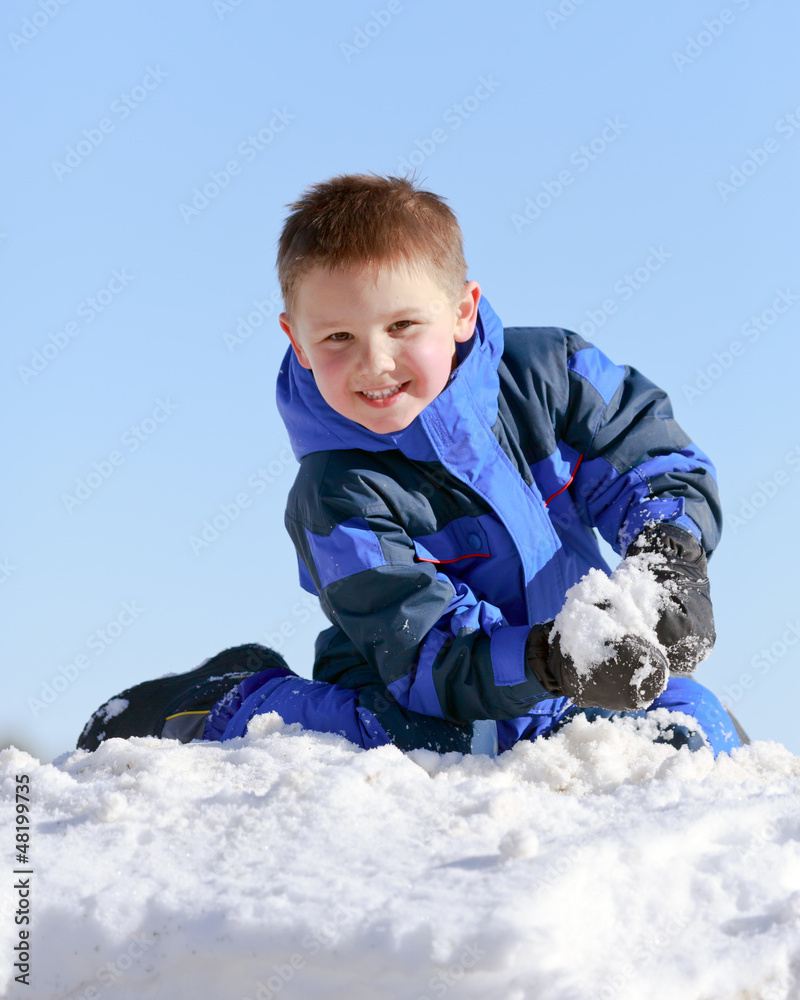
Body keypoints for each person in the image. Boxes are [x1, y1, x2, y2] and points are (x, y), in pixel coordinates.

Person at [77, 173, 748, 759]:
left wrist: (671, 557)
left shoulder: (551, 377)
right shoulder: (338, 493)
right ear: (298, 342)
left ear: (461, 311)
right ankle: (224, 703)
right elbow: (428, 654)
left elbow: (650, 457)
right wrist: (548, 659)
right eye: (339, 337)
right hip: (414, 678)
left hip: (575, 666)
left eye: (402, 326)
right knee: (433, 747)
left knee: (697, 731)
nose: (374, 362)